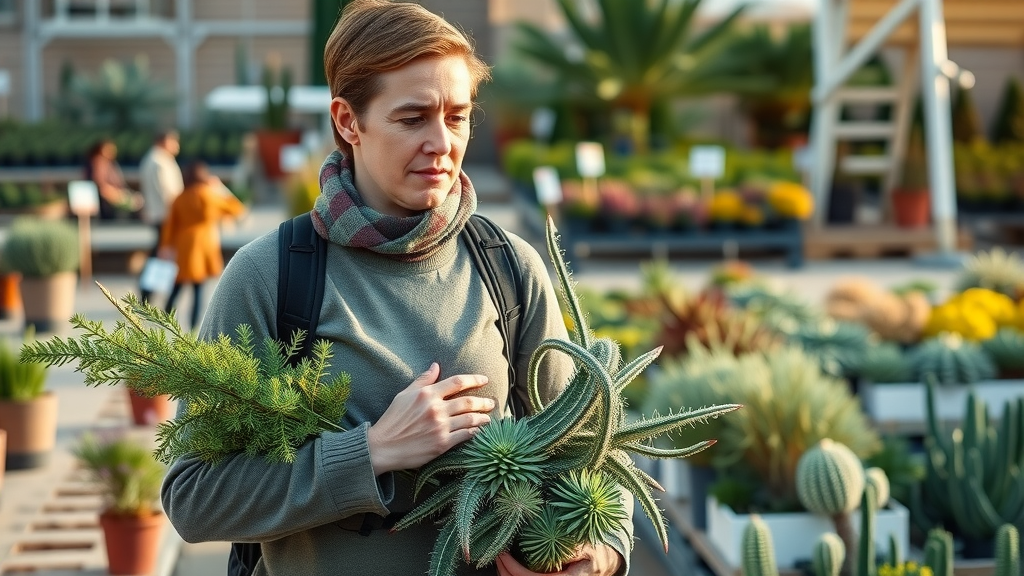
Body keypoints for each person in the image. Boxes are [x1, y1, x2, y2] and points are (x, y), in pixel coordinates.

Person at [160, 2, 632, 575]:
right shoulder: (271, 276)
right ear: (347, 122)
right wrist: (371, 452)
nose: (442, 143)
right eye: (413, 119)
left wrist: (601, 555)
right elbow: (193, 498)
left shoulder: (508, 267)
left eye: (457, 116)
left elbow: (594, 451)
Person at [158, 161, 246, 331]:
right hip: (205, 244)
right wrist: (219, 188)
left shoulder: (179, 197)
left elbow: (169, 226)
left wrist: (165, 246)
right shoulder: (210, 195)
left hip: (183, 245)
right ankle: (193, 326)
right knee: (199, 288)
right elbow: (237, 209)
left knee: (178, 283)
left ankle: (165, 317)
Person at [138, 130, 184, 304]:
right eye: (174, 141)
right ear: (164, 141)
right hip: (165, 216)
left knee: (159, 256)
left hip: (161, 215)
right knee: (160, 257)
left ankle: (148, 296)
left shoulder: (155, 159)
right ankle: (146, 296)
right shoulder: (159, 162)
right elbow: (168, 194)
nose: (176, 145)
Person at [84, 138, 142, 221]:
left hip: (116, 195)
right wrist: (117, 196)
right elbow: (101, 184)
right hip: (107, 200)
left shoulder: (111, 163)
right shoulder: (99, 162)